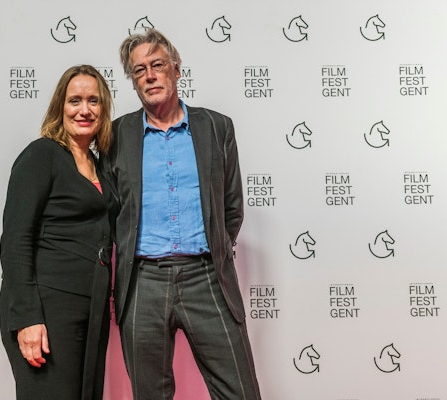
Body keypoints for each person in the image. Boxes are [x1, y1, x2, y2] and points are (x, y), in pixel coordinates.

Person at [104, 29, 262, 399]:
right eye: (139, 70)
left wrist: (214, 249)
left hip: (207, 277)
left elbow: (232, 206)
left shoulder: (216, 127)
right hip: (142, 282)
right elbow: (111, 212)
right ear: (133, 81)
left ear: (176, 70)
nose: (149, 76)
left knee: (240, 392)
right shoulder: (117, 135)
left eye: (157, 65)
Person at [0, 64, 115, 400]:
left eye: (93, 101)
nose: (84, 110)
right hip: (47, 308)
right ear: (59, 107)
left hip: (91, 307)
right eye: (75, 100)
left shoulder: (101, 166)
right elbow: (16, 240)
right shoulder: (42, 154)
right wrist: (27, 318)